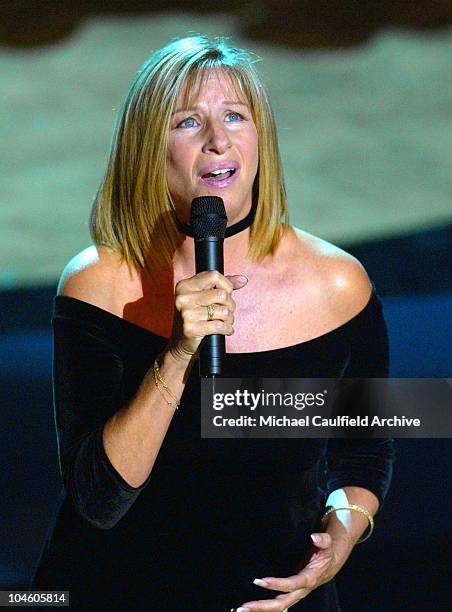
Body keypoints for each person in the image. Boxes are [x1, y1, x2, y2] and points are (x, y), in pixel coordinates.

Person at [31, 35, 395, 611]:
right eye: (186, 122)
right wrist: (178, 354)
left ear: (261, 138)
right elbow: (98, 500)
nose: (218, 141)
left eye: (235, 116)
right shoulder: (97, 284)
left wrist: (343, 536)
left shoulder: (341, 285)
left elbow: (366, 447)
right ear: (149, 147)